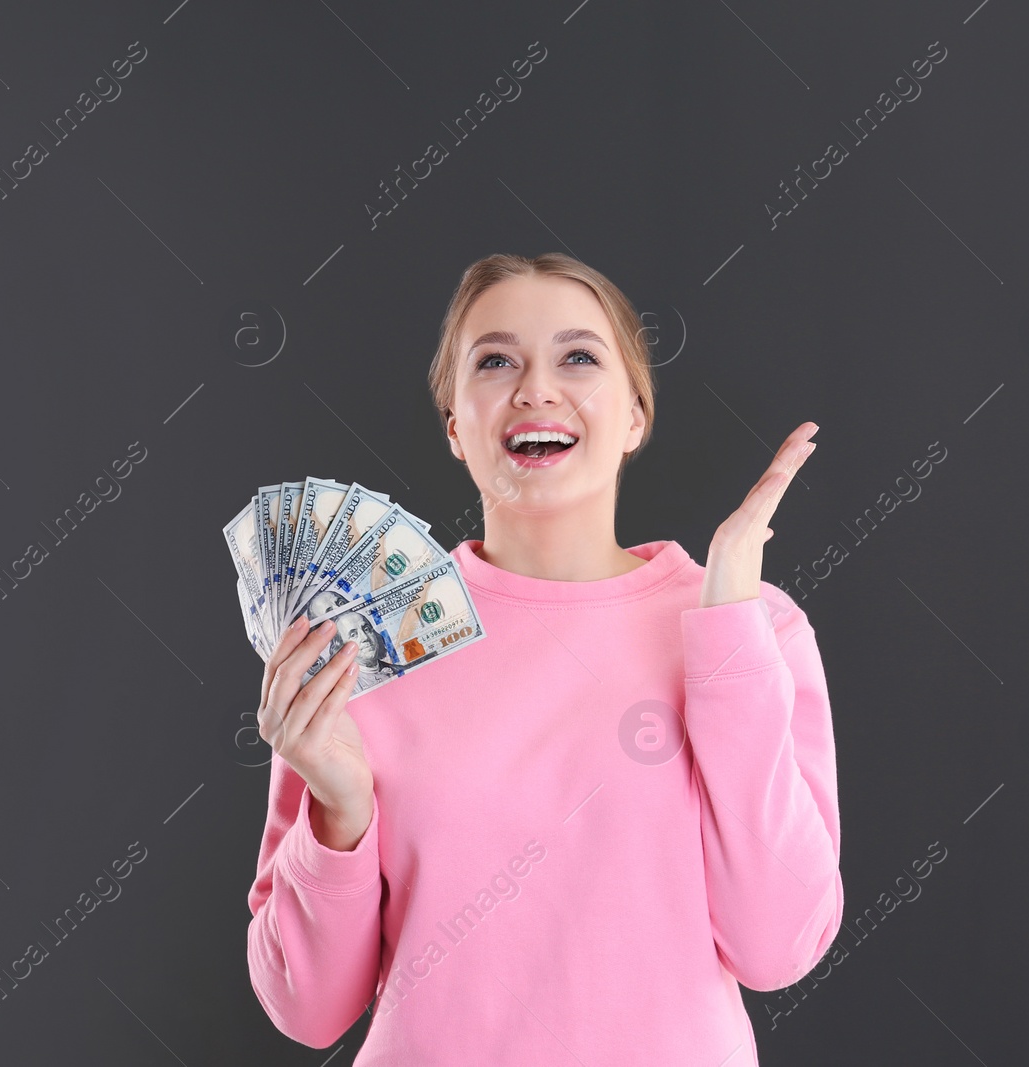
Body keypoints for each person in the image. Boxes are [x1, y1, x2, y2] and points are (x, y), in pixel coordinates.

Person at [246, 252, 840, 1065]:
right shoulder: (365, 640)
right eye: (495, 361)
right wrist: (338, 810)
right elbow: (306, 1011)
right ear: (455, 423)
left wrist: (729, 635)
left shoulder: (751, 627)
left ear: (636, 414)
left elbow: (778, 946)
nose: (535, 389)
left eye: (578, 357)